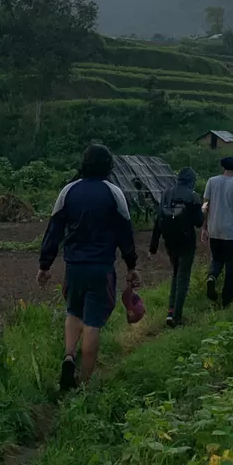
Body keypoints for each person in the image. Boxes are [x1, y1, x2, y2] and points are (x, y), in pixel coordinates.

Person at [38, 143, 140, 391]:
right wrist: (131, 265)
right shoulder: (114, 193)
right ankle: (83, 384)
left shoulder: (68, 191)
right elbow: (125, 233)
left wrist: (45, 265)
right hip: (101, 268)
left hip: (74, 267)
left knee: (73, 313)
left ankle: (69, 356)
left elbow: (54, 230)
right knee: (93, 322)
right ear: (108, 167)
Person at [148, 167, 203, 327]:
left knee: (175, 274)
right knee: (183, 278)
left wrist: (153, 246)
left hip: (169, 242)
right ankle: (177, 317)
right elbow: (198, 222)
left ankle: (170, 311)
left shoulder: (167, 193)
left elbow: (158, 220)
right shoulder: (192, 196)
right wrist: (204, 210)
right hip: (187, 242)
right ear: (192, 180)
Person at [201, 156, 233, 308]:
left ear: (223, 168)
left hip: (214, 229)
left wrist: (204, 227)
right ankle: (226, 301)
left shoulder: (211, 181)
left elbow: (205, 206)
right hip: (230, 232)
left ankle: (212, 276)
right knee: (231, 266)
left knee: (217, 260)